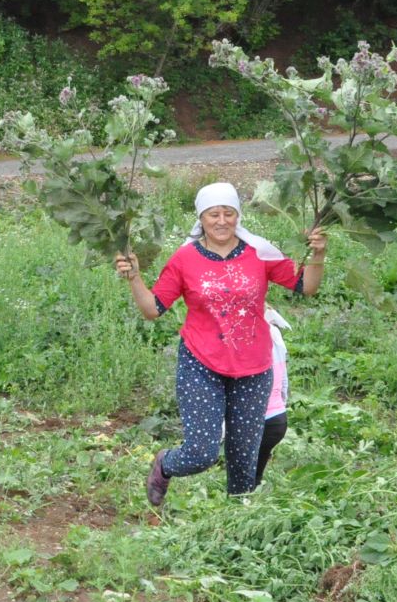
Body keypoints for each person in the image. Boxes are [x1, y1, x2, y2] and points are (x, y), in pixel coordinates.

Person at [114, 182, 326, 504]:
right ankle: (165, 464)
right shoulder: (184, 260)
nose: (222, 221)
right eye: (214, 214)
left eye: (229, 213)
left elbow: (306, 286)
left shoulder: (260, 253)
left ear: (238, 216)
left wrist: (318, 254)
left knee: (243, 463)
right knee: (201, 452)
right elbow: (153, 310)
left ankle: (235, 529)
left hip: (253, 368)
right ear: (202, 218)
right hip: (202, 364)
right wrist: (135, 278)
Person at [254, 307, 292, 488]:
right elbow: (284, 381)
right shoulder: (275, 335)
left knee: (241, 475)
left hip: (255, 420)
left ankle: (241, 503)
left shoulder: (248, 337)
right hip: (278, 419)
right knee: (254, 473)